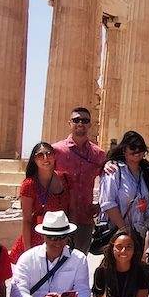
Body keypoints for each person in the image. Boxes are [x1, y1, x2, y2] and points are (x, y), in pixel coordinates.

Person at [52, 106, 107, 254]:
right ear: (69, 123)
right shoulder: (56, 150)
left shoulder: (98, 154)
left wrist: (101, 205)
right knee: (56, 265)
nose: (80, 123)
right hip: (59, 218)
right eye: (76, 120)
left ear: (90, 124)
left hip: (85, 218)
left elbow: (109, 182)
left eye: (85, 120)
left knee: (79, 264)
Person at [97, 130, 149, 252]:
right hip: (118, 234)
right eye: (132, 147)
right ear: (124, 150)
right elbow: (108, 203)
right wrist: (124, 231)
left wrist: (145, 230)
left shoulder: (146, 173)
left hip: (140, 234)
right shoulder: (114, 171)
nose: (137, 151)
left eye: (140, 147)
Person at [11, 141, 72, 263]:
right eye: (40, 155)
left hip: (61, 238)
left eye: (49, 154)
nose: (45, 158)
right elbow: (27, 220)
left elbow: (70, 209)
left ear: (55, 156)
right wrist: (28, 252)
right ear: (34, 160)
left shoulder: (65, 178)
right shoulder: (29, 185)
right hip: (38, 240)